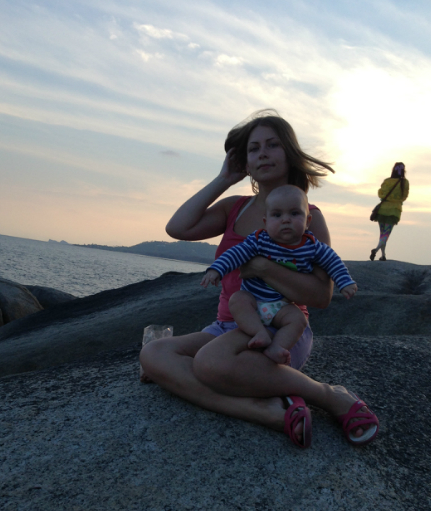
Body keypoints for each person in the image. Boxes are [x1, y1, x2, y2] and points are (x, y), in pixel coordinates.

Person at [140, 110, 379, 449]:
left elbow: (321, 296)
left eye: (272, 145)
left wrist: (264, 268)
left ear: (289, 153)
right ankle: (269, 411)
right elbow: (177, 227)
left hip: (279, 331)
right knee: (154, 355)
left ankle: (328, 395)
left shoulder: (308, 218)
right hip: (227, 328)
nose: (263, 154)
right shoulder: (234, 209)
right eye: (254, 149)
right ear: (246, 162)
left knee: (209, 364)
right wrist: (225, 178)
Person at [201, 184, 357, 366]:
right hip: (253, 301)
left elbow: (333, 262)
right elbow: (235, 254)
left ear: (308, 221)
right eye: (277, 215)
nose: (286, 220)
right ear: (265, 221)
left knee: (298, 319)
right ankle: (259, 333)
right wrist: (216, 270)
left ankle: (277, 347)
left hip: (280, 306)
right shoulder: (259, 240)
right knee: (238, 299)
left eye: (294, 213)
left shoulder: (312, 246)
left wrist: (345, 282)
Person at [370, 162, 409, 261]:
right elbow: (404, 197)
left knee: (382, 234)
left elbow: (380, 193)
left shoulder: (387, 181)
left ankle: (383, 255)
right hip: (394, 211)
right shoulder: (404, 182)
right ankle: (376, 250)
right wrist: (396, 200)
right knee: (386, 234)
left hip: (382, 210)